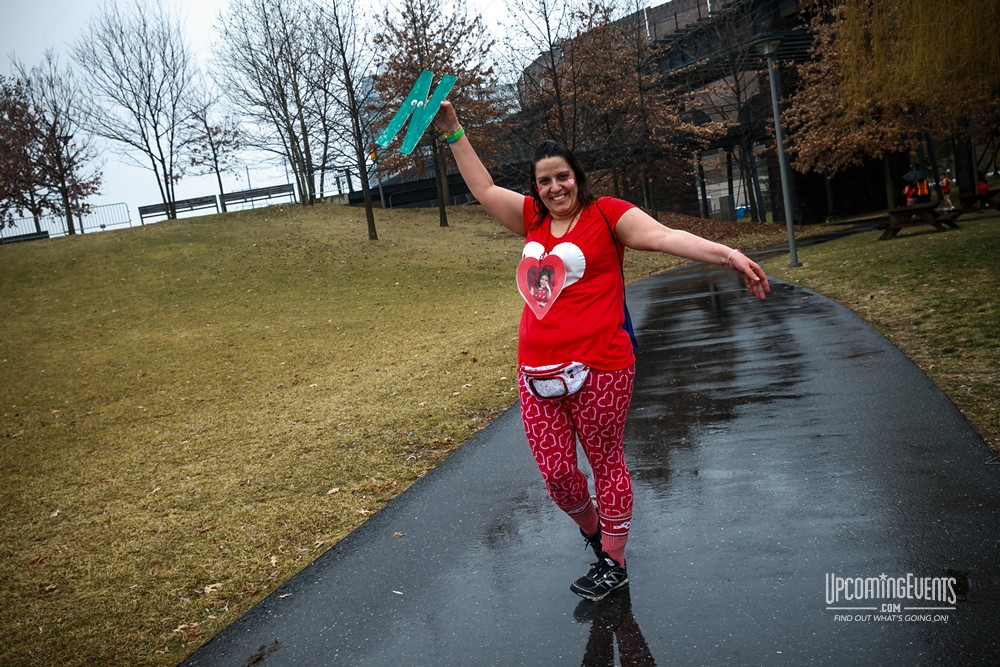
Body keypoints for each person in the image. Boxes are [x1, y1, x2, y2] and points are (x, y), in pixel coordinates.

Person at [433, 100, 770, 602]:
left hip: (602, 369)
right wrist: (454, 131)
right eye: (544, 181)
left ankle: (614, 559)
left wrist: (728, 254)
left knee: (606, 461)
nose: (554, 188)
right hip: (535, 375)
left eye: (562, 177)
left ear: (577, 176)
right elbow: (482, 188)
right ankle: (596, 536)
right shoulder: (530, 220)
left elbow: (664, 235)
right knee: (559, 477)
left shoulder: (607, 216)